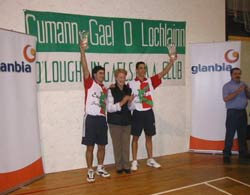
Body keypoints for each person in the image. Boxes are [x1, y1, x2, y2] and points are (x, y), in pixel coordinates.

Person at [129, 54, 177, 171]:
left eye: (144, 68)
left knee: (149, 137)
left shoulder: (150, 81)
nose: (143, 70)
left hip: (148, 112)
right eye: (140, 68)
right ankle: (134, 161)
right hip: (137, 113)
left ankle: (150, 159)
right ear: (136, 70)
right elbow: (120, 89)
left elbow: (163, 73)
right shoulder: (130, 84)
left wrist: (171, 61)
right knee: (135, 138)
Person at [80, 38, 110, 183]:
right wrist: (82, 51)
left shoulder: (105, 89)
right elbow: (85, 67)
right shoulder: (89, 83)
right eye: (100, 73)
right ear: (94, 75)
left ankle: (100, 168)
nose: (102, 75)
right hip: (90, 119)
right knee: (90, 147)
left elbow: (107, 106)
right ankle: (90, 170)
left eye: (103, 73)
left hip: (101, 120)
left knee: (102, 146)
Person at [107, 69, 133, 174]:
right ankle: (118, 166)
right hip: (114, 121)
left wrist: (130, 102)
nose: (122, 79)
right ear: (116, 78)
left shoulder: (128, 89)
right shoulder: (111, 90)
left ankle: (126, 166)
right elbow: (109, 108)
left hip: (127, 120)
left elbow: (131, 107)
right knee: (117, 145)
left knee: (126, 144)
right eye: (120, 77)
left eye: (124, 77)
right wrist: (123, 101)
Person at [222, 67, 250, 164]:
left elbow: (249, 97)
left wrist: (246, 90)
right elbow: (226, 99)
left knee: (243, 134)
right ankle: (226, 154)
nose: (238, 75)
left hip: (243, 112)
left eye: (239, 73)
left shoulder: (244, 84)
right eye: (235, 74)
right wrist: (238, 91)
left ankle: (243, 153)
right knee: (230, 133)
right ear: (231, 75)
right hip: (232, 113)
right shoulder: (227, 86)